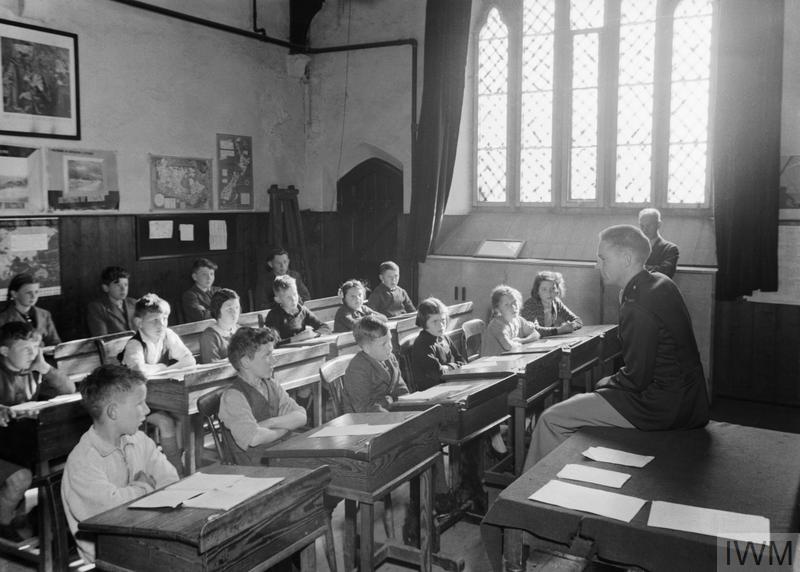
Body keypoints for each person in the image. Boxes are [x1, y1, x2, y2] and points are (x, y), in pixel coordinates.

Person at [523, 225, 709, 471]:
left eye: (603, 258)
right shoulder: (661, 282)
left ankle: (534, 495)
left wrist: (604, 385)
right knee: (587, 398)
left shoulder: (637, 303)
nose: (597, 266)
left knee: (551, 418)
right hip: (693, 402)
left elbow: (637, 378)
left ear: (627, 259)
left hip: (660, 407)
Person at [61, 364, 179, 564]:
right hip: (109, 554)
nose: (147, 409)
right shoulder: (83, 461)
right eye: (140, 403)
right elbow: (109, 515)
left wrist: (130, 495)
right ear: (113, 412)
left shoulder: (139, 440)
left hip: (147, 533)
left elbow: (171, 480)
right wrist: (144, 487)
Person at [0, 322, 74, 542]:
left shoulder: (34, 370)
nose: (32, 354)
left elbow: (68, 390)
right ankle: (3, 525)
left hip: (18, 444)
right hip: (5, 450)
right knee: (19, 478)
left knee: (62, 465)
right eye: (26, 349)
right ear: (4, 351)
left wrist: (44, 368)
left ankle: (49, 523)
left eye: (35, 347)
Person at [120, 294, 195, 474]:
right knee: (166, 422)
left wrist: (157, 369)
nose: (161, 325)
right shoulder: (135, 345)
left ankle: (187, 465)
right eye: (154, 320)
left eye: (164, 319)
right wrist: (164, 366)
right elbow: (139, 372)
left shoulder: (167, 335)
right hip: (135, 402)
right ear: (139, 323)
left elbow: (189, 360)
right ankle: (176, 471)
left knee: (187, 416)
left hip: (161, 396)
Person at [218, 327, 307, 465]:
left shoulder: (271, 384)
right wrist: (286, 426)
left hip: (281, 453)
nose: (273, 361)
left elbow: (301, 416)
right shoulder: (233, 397)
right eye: (267, 355)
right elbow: (254, 438)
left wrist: (271, 423)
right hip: (257, 466)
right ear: (245, 362)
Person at [341, 315, 409, 413]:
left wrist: (408, 405)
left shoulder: (390, 358)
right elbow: (364, 408)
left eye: (390, 340)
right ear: (366, 348)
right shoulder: (357, 369)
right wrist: (387, 402)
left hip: (389, 413)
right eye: (383, 344)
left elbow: (401, 389)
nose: (390, 347)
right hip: (364, 421)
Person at [410, 297, 465, 391]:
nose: (441, 325)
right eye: (435, 321)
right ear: (424, 323)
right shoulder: (422, 344)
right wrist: (455, 366)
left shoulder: (444, 337)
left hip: (451, 384)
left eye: (443, 320)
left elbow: (462, 361)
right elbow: (438, 374)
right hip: (434, 390)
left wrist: (448, 367)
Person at [263, 275, 331, 344]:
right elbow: (272, 342)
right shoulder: (273, 316)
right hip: (285, 353)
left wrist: (314, 334)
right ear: (278, 299)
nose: (293, 300)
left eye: (295, 294)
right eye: (288, 297)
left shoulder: (302, 310)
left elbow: (325, 328)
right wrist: (296, 338)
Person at [0, 273, 61, 346]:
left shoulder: (44, 314)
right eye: (29, 293)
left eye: (36, 292)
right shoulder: (3, 318)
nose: (34, 296)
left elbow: (55, 342)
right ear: (14, 294)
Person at [481, 285, 540, 357]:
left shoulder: (518, 319)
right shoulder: (497, 324)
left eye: (514, 302)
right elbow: (508, 346)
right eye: (506, 305)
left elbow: (536, 334)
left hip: (509, 359)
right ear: (497, 309)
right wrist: (519, 343)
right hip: (491, 363)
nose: (513, 307)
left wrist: (522, 340)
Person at [520, 271, 583, 336]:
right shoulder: (530, 305)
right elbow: (534, 330)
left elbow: (578, 320)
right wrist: (560, 330)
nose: (549, 293)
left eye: (553, 288)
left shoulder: (556, 302)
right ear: (537, 291)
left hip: (546, 341)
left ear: (558, 290)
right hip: (526, 342)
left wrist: (571, 326)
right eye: (544, 289)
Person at [86, 266, 137, 337]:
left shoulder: (134, 303)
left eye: (126, 285)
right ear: (106, 288)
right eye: (118, 285)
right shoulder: (97, 308)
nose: (123, 289)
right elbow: (102, 339)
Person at [199, 288, 241, 364]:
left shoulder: (241, 330)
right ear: (217, 310)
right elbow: (211, 367)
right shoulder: (209, 336)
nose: (234, 313)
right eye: (229, 309)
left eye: (237, 307)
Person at [638, 208, 679, 278]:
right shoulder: (634, 246)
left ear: (659, 225)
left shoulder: (670, 249)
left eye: (648, 225)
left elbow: (666, 272)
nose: (644, 230)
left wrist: (636, 268)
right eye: (642, 226)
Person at [181, 258, 221, 323]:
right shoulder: (190, 295)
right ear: (195, 277)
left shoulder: (219, 290)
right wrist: (222, 310)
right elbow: (202, 316)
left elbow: (235, 309)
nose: (209, 278)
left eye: (211, 274)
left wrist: (206, 310)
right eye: (204, 274)